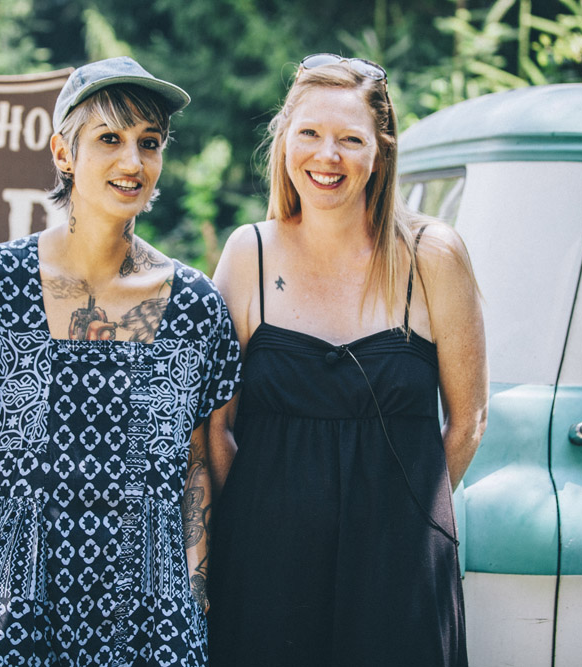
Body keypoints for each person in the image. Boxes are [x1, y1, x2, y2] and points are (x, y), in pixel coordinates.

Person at [0, 56, 241, 666]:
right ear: (64, 153)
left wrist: (191, 597)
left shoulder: (196, 305)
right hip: (6, 608)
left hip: (148, 617)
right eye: (109, 139)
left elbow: (195, 468)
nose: (132, 162)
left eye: (150, 143)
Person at [207, 54, 488, 666]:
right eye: (308, 133)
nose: (326, 156)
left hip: (401, 564)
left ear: (380, 152)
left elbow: (468, 421)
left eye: (350, 139)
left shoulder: (432, 256)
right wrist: (262, 514)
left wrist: (404, 512)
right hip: (265, 564)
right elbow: (215, 427)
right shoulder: (247, 253)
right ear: (284, 140)